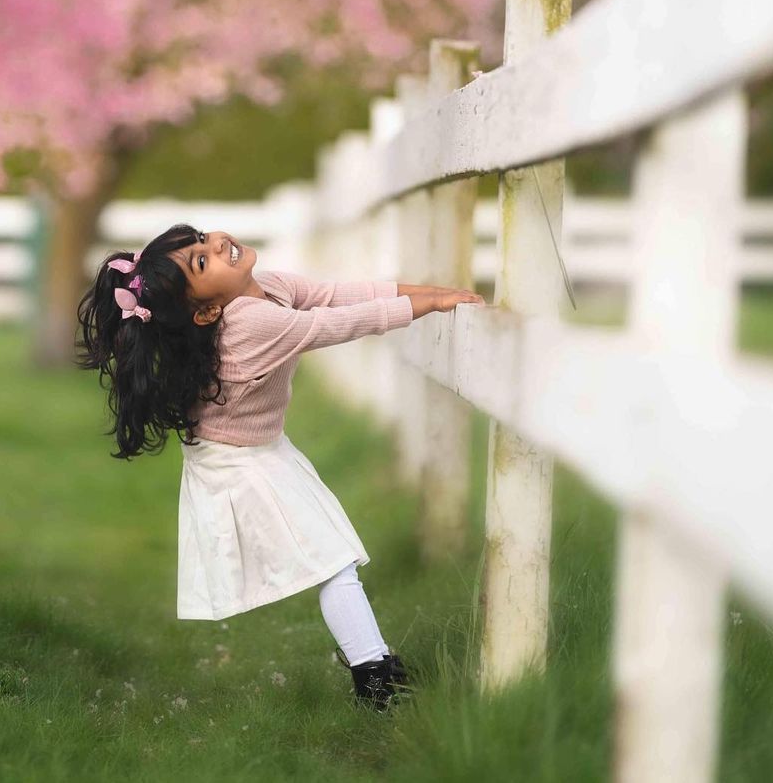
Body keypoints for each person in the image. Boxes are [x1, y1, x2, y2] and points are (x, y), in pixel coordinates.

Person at [75, 223, 484, 711]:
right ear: (206, 310)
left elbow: (339, 294)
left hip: (263, 448)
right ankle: (377, 682)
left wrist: (437, 293)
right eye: (202, 262)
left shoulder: (267, 287)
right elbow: (344, 323)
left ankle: (375, 671)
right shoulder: (250, 323)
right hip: (235, 463)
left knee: (334, 558)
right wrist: (431, 305)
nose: (215, 246)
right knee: (332, 562)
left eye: (202, 241)